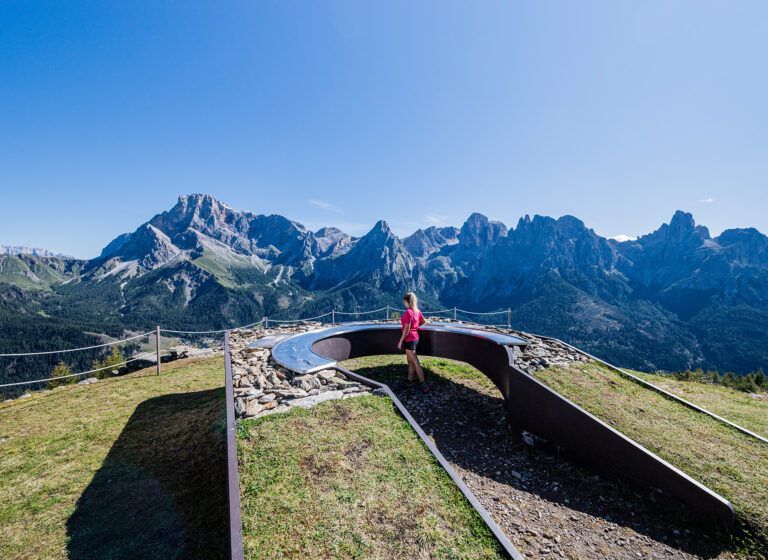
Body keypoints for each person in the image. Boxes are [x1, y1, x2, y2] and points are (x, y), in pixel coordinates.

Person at [397, 292, 428, 391]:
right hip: (415, 338)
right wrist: (415, 328)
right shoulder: (417, 311)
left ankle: (423, 385)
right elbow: (424, 321)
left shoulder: (408, 312)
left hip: (409, 340)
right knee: (410, 362)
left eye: (404, 302)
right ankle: (409, 383)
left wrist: (400, 341)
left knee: (415, 362)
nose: (404, 303)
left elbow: (406, 329)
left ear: (406, 301)